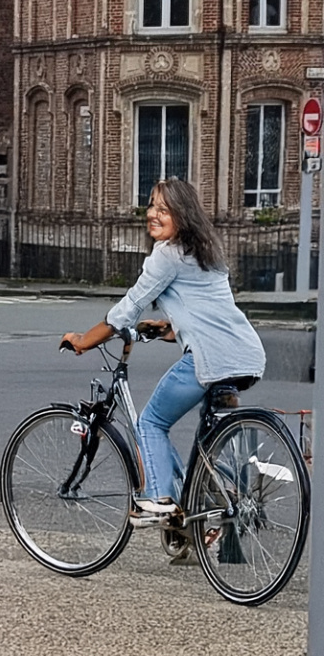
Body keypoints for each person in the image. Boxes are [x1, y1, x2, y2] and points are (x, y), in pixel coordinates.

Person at [60, 178, 265, 526]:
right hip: (246, 357)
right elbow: (209, 312)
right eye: (151, 205)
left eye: (163, 209)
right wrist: (169, 330)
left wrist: (84, 340)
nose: (152, 214)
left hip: (208, 359)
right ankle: (198, 523)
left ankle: (158, 499)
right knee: (205, 444)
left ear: (181, 216)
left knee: (151, 423)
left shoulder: (167, 255)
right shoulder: (208, 252)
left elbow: (128, 308)